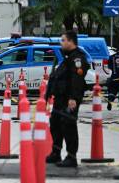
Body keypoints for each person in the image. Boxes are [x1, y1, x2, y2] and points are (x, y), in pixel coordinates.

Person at [45, 31, 90, 168]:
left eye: (63, 40)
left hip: (68, 99)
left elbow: (77, 80)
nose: (61, 43)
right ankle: (56, 152)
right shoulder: (68, 58)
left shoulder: (77, 59)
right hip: (60, 99)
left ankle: (71, 157)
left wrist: (73, 98)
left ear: (71, 41)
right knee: (55, 124)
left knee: (68, 126)